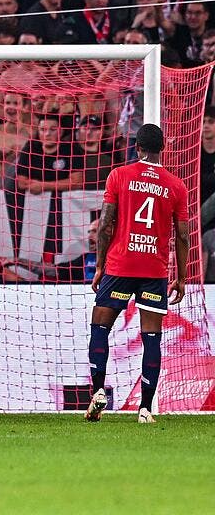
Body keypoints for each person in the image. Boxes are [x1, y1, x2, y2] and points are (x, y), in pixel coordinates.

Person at [87, 124, 189, 425]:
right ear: (163, 150)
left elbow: (105, 223)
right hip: (153, 271)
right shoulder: (176, 185)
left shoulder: (119, 175)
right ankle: (146, 409)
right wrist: (181, 277)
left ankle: (97, 392)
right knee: (152, 337)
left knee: (100, 329)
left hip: (120, 266)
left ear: (137, 148)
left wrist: (101, 265)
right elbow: (182, 236)